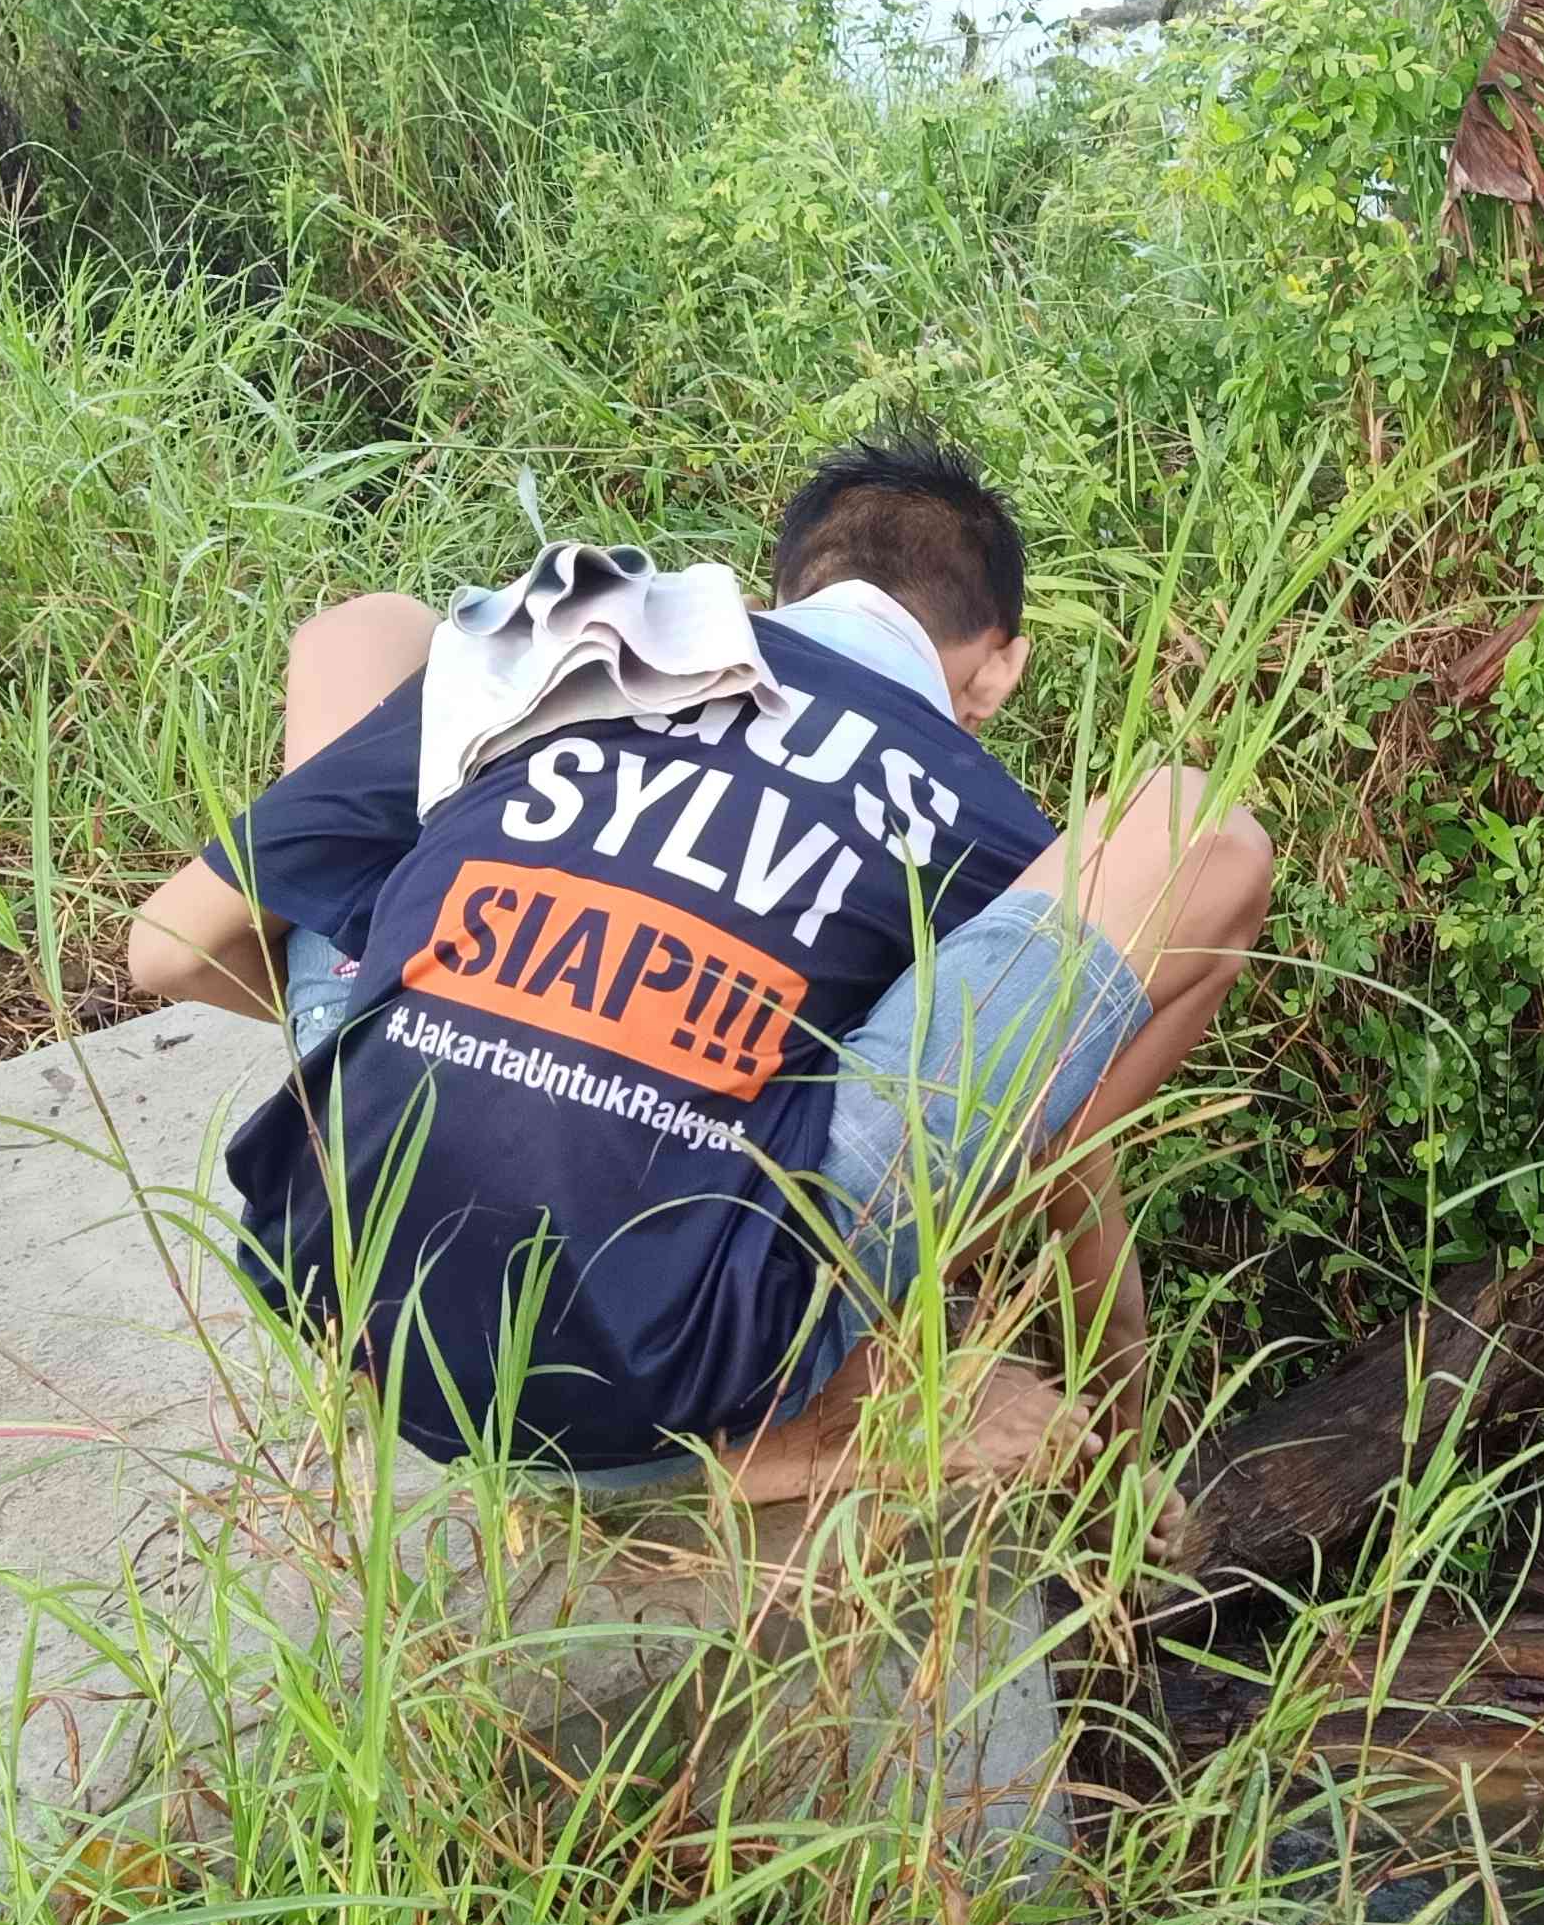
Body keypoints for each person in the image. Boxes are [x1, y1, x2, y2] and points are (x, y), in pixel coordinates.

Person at [126, 436, 1271, 1500]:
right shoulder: (982, 824)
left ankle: (433, 1118)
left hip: (348, 1288)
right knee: (1199, 827)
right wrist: (1124, 1417)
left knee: (365, 631)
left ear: (778, 596)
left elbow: (170, 948)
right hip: (660, 1387)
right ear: (996, 670)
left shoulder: (583, 653)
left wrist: (473, 1002)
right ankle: (821, 1404)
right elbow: (1054, 1154)